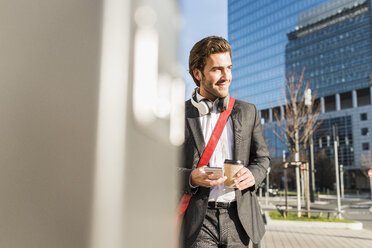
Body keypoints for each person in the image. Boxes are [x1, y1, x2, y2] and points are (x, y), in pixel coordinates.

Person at [179, 36, 270, 248]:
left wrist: (253, 175)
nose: (226, 76)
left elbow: (262, 158)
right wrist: (191, 177)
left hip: (240, 220)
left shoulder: (248, 112)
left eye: (229, 68)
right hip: (198, 222)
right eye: (217, 69)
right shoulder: (178, 114)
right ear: (197, 73)